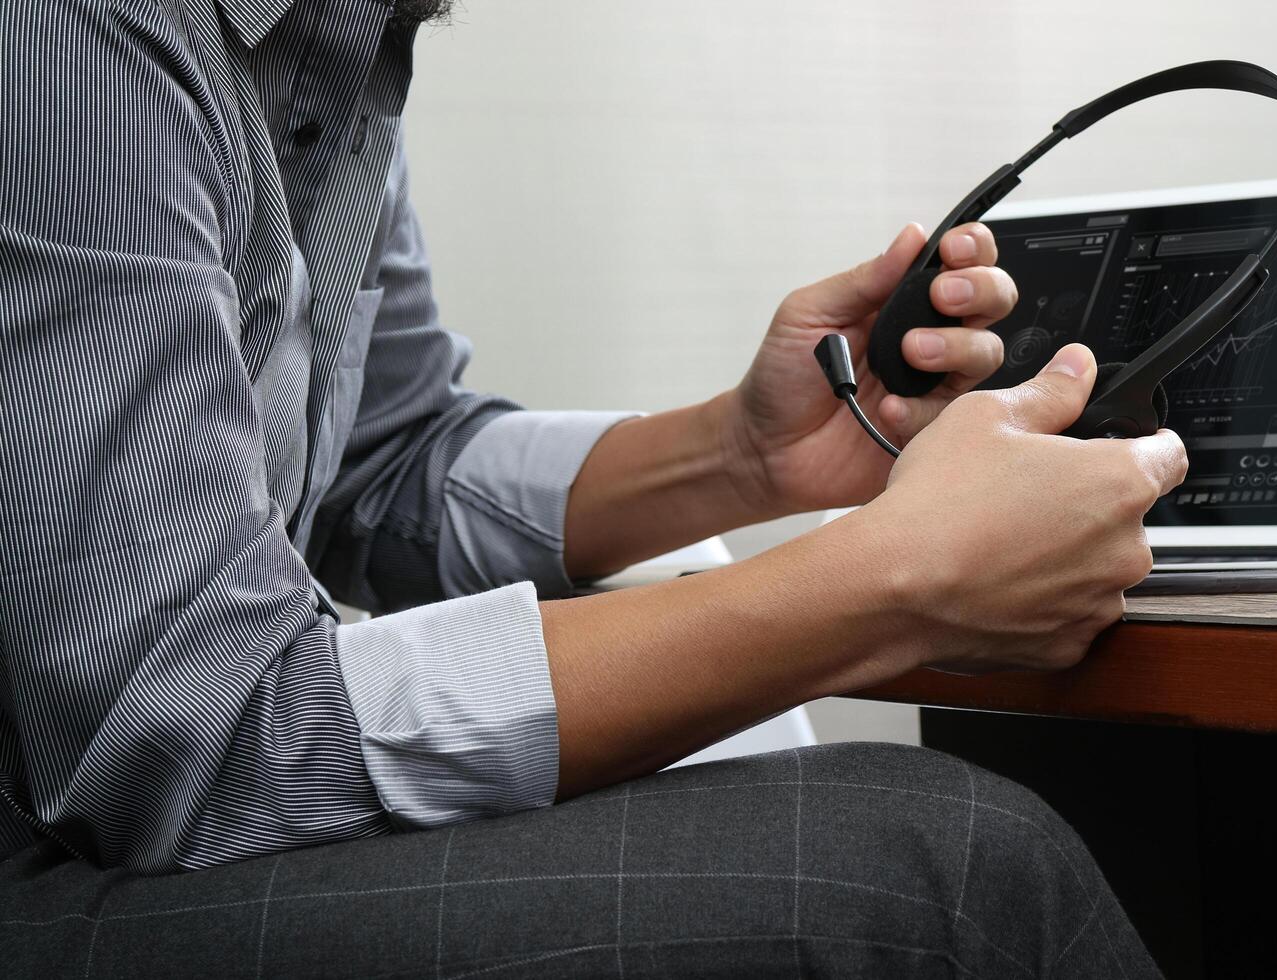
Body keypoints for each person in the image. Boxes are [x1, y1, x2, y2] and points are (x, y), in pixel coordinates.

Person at [0, 2, 1185, 976]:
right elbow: (195, 745)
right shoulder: (82, 37)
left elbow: (389, 463)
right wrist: (889, 585)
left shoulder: (343, 53)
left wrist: (742, 455)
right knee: (963, 872)